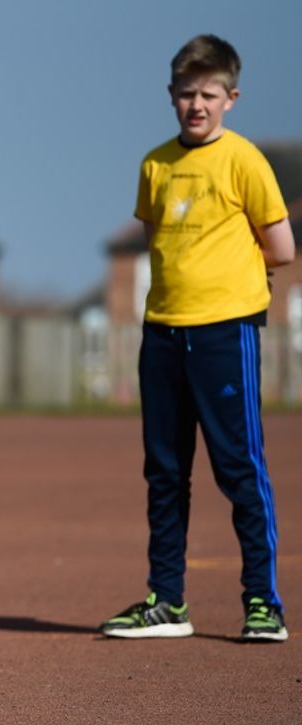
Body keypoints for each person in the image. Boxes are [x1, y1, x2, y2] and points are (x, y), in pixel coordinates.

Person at [100, 34, 295, 642]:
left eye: (209, 94)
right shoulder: (156, 164)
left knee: (239, 468)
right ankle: (167, 601)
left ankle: (263, 603)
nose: (196, 105)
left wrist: (238, 278)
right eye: (186, 94)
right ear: (171, 95)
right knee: (164, 471)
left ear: (231, 97)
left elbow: (282, 248)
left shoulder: (244, 161)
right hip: (161, 330)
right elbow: (158, 236)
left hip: (224, 331)